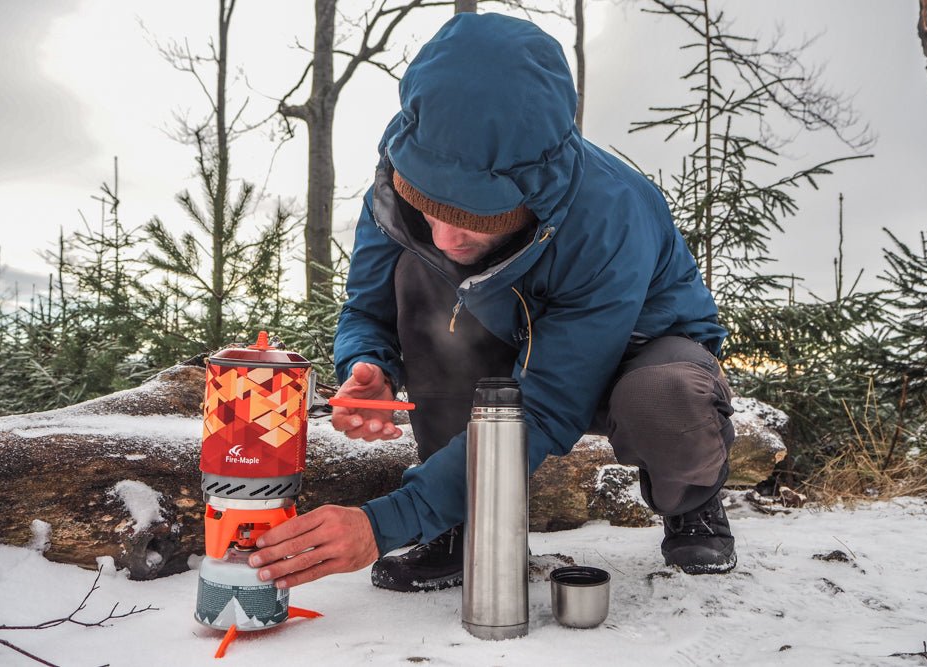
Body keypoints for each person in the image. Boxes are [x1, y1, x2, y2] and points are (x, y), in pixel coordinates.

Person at [249, 12, 736, 593]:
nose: (446, 239)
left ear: (535, 195)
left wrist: (386, 522)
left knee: (664, 395)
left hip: (638, 351)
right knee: (418, 275)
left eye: (479, 221)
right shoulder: (412, 153)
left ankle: (692, 500)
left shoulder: (611, 214)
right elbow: (369, 305)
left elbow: (549, 406)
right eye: (431, 210)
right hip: (513, 338)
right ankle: (461, 518)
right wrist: (370, 366)